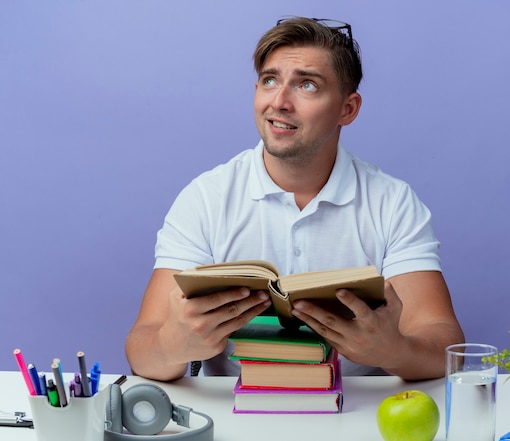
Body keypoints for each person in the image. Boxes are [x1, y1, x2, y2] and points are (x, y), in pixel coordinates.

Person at [125, 16, 464, 382]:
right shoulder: (205, 198)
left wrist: (394, 350)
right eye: (270, 81)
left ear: (347, 109)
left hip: (355, 416)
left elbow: (445, 344)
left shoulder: (392, 202)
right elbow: (142, 349)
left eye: (307, 85)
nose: (279, 102)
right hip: (233, 418)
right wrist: (171, 346)